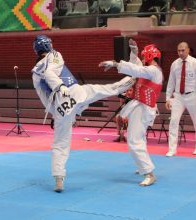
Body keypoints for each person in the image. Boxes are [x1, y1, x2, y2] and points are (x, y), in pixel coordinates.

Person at [32, 35, 134, 193]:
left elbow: (44, 97)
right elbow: (50, 73)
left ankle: (59, 177)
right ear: (48, 46)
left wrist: (55, 113)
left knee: (60, 143)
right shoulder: (55, 55)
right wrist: (60, 86)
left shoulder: (34, 73)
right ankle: (132, 79)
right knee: (103, 89)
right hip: (72, 92)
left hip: (60, 107)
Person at [99, 39, 163, 187]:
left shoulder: (154, 71)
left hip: (144, 108)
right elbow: (136, 66)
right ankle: (143, 166)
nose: (141, 59)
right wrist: (133, 51)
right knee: (139, 138)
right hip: (139, 106)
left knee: (134, 140)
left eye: (142, 56)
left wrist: (116, 64)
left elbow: (137, 70)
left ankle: (149, 174)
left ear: (148, 57)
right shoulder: (150, 70)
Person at [165, 42, 196, 156]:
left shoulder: (195, 63)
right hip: (178, 96)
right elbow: (171, 82)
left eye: (183, 50)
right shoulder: (174, 64)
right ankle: (172, 149)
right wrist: (168, 98)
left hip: (193, 95)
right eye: (178, 50)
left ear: (188, 50)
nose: (180, 52)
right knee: (173, 121)